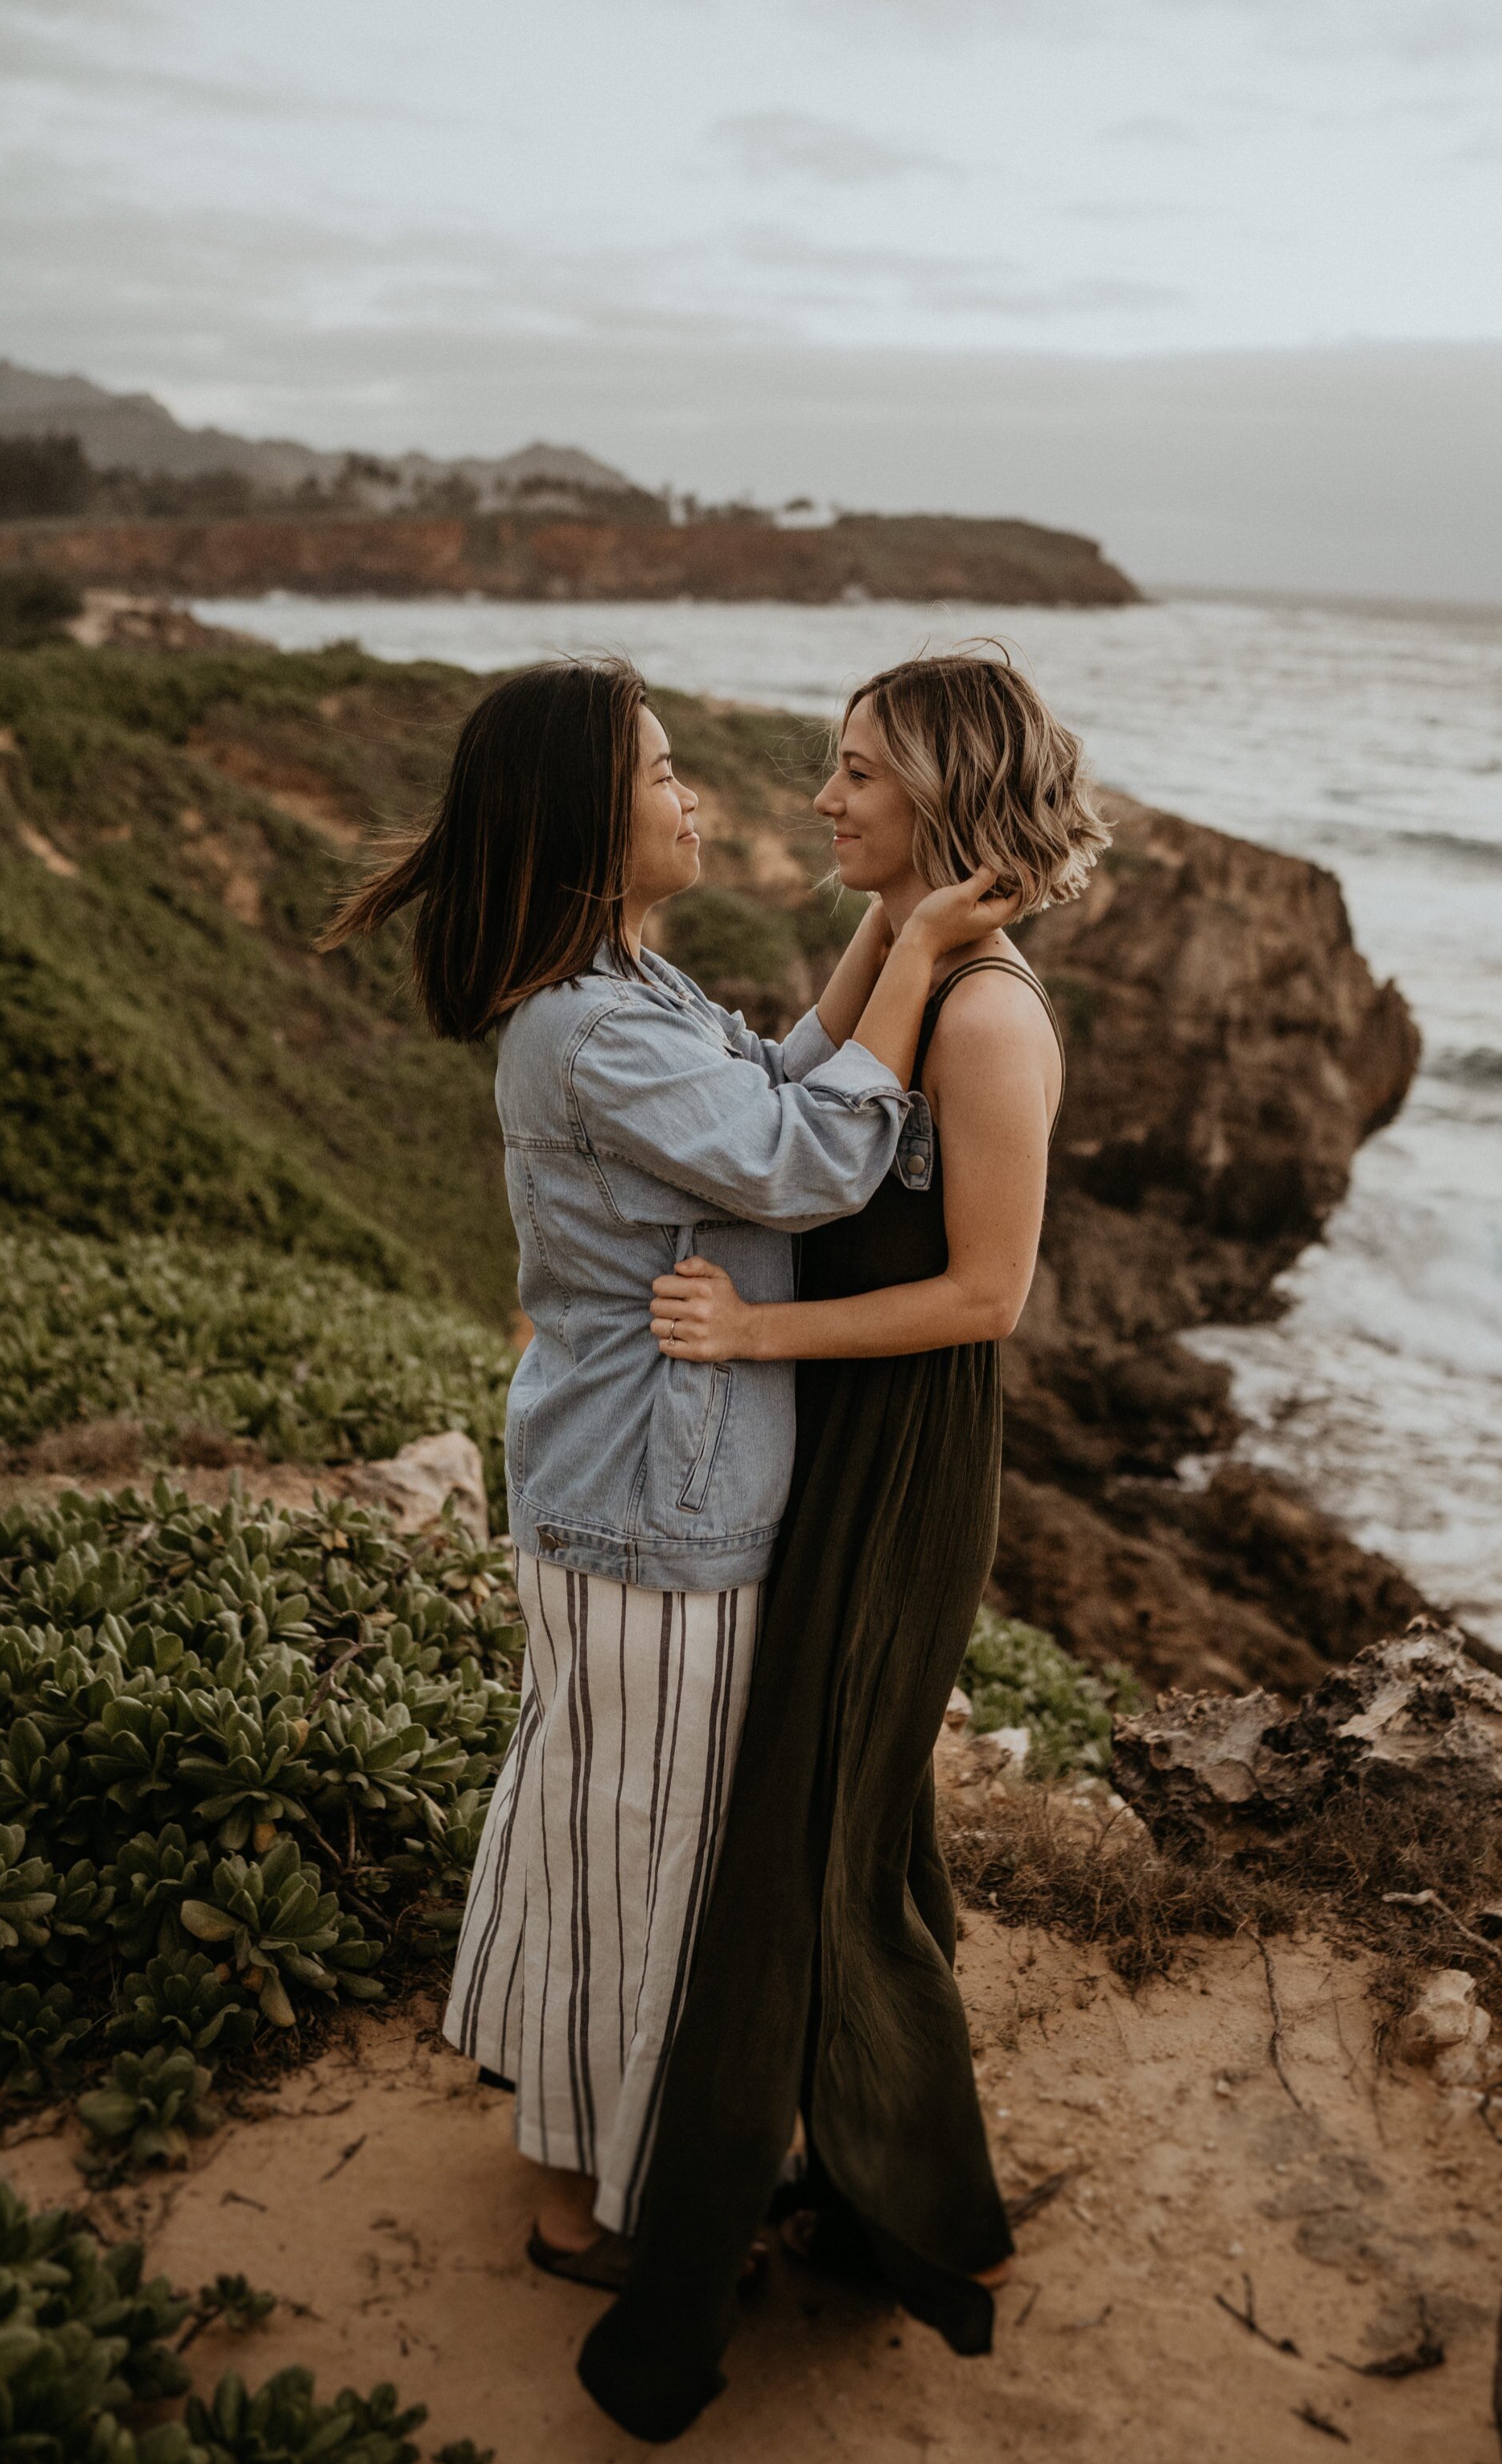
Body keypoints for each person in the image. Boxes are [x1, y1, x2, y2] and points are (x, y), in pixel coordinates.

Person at [318, 656, 1010, 2288]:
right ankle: (607, 2212)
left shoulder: (623, 989)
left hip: (616, 1494)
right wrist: (918, 945)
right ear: (585, 820)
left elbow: (777, 1075)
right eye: (663, 767)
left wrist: (888, 925)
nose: (693, 792)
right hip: (651, 1514)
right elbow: (814, 1157)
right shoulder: (583, 1028)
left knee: (593, 1825)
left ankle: (569, 2163)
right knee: (652, 1866)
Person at [578, 646, 1111, 2442]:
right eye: (829, 765)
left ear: (940, 799)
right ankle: (887, 2162)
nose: (821, 796)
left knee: (818, 1839)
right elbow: (809, 1084)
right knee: (845, 1823)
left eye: (859, 774)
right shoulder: (916, 969)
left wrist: (754, 1337)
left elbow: (988, 1292)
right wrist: (895, 924)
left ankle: (873, 2201)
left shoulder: (987, 1016)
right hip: (844, 1450)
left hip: (903, 1466)